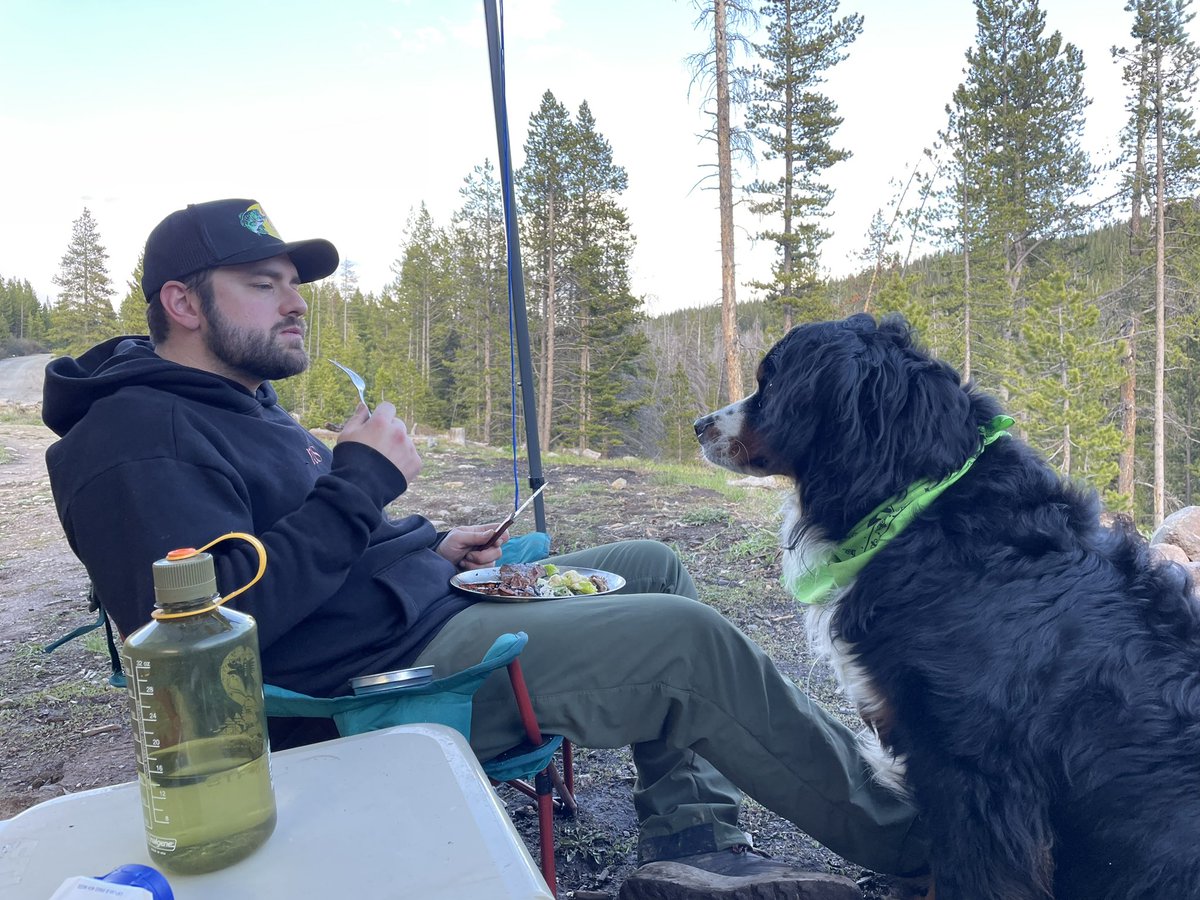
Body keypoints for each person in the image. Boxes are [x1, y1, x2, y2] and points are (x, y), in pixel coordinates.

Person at [42, 198, 927, 894]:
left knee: (652, 562)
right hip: (367, 683)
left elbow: (306, 546)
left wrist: (434, 549)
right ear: (182, 301)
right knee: (684, 643)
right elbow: (212, 624)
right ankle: (919, 844)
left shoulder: (235, 404)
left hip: (418, 613)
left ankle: (698, 839)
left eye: (294, 284)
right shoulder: (133, 441)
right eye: (263, 284)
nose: (294, 304)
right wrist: (358, 481)